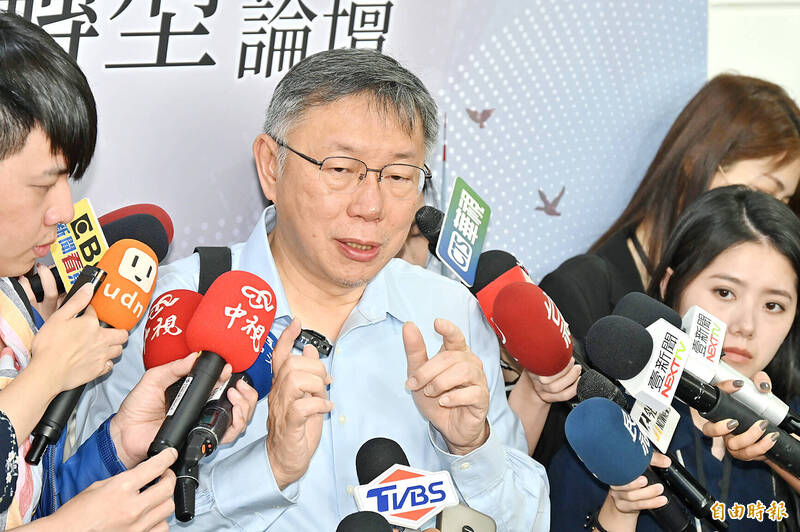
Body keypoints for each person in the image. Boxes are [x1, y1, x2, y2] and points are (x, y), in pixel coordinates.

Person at [75, 47, 550, 531]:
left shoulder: (448, 316)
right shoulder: (170, 311)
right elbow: (90, 516)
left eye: (401, 176)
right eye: (341, 169)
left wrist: (471, 448)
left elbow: (526, 520)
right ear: (270, 166)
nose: (371, 206)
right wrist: (267, 467)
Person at [0, 11, 256, 529]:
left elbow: (25, 496)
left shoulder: (13, 305)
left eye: (69, 179)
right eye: (41, 184)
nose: (64, 210)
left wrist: (120, 444)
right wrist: (50, 372)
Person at [512, 74, 800, 467]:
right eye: (765, 192)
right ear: (696, 163)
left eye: (784, 201)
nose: (771, 217)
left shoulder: (765, 326)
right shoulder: (585, 291)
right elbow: (545, 463)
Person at [549, 185, 800, 531]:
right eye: (724, 292)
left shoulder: (792, 425)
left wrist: (783, 455)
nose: (746, 326)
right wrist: (619, 511)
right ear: (670, 286)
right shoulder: (609, 426)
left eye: (773, 305)